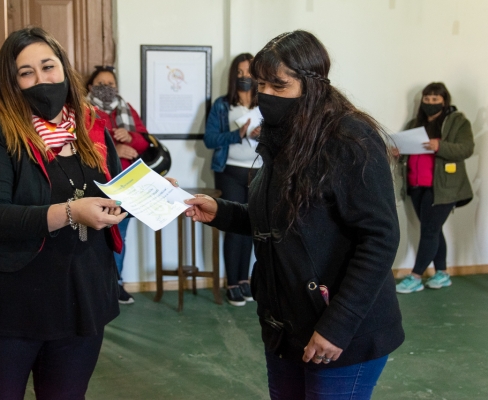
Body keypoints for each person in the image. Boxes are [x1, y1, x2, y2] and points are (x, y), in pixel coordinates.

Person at [185, 31, 404, 399]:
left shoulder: (350, 139)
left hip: (341, 328)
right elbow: (283, 221)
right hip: (287, 324)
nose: (265, 95)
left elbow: (380, 238)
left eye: (278, 85)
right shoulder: (281, 134)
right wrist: (221, 212)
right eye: (260, 84)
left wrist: (338, 325)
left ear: (312, 85)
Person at [0, 27, 127, 399]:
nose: (41, 79)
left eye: (48, 66)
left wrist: (149, 194)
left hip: (79, 295)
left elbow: (113, 196)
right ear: (12, 82)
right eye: (26, 73)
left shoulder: (90, 127)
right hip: (7, 298)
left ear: (64, 69)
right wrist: (70, 212)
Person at [394, 82, 474, 293]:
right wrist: (398, 152)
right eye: (427, 99)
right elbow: (407, 150)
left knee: (429, 231)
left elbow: (466, 149)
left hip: (443, 188)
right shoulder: (415, 123)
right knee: (434, 230)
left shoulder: (457, 122)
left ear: (444, 101)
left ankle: (415, 276)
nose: (430, 103)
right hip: (417, 185)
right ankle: (442, 273)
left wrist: (440, 146)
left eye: (435, 99)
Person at [85, 66, 150, 304]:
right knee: (91, 238)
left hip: (126, 184)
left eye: (111, 84)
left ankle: (116, 284)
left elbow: (145, 142)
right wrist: (114, 145)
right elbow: (81, 140)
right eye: (101, 83)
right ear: (90, 87)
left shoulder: (126, 108)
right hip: (96, 183)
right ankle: (95, 287)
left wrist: (130, 137)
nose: (107, 88)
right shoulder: (82, 109)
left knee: (119, 234)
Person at [204, 53, 261, 306]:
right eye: (239, 73)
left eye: (249, 73)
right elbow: (210, 139)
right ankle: (232, 283)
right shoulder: (222, 104)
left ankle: (245, 280)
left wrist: (262, 135)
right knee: (234, 226)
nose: (244, 77)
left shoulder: (265, 103)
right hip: (229, 172)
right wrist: (236, 134)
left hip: (259, 172)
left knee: (252, 227)